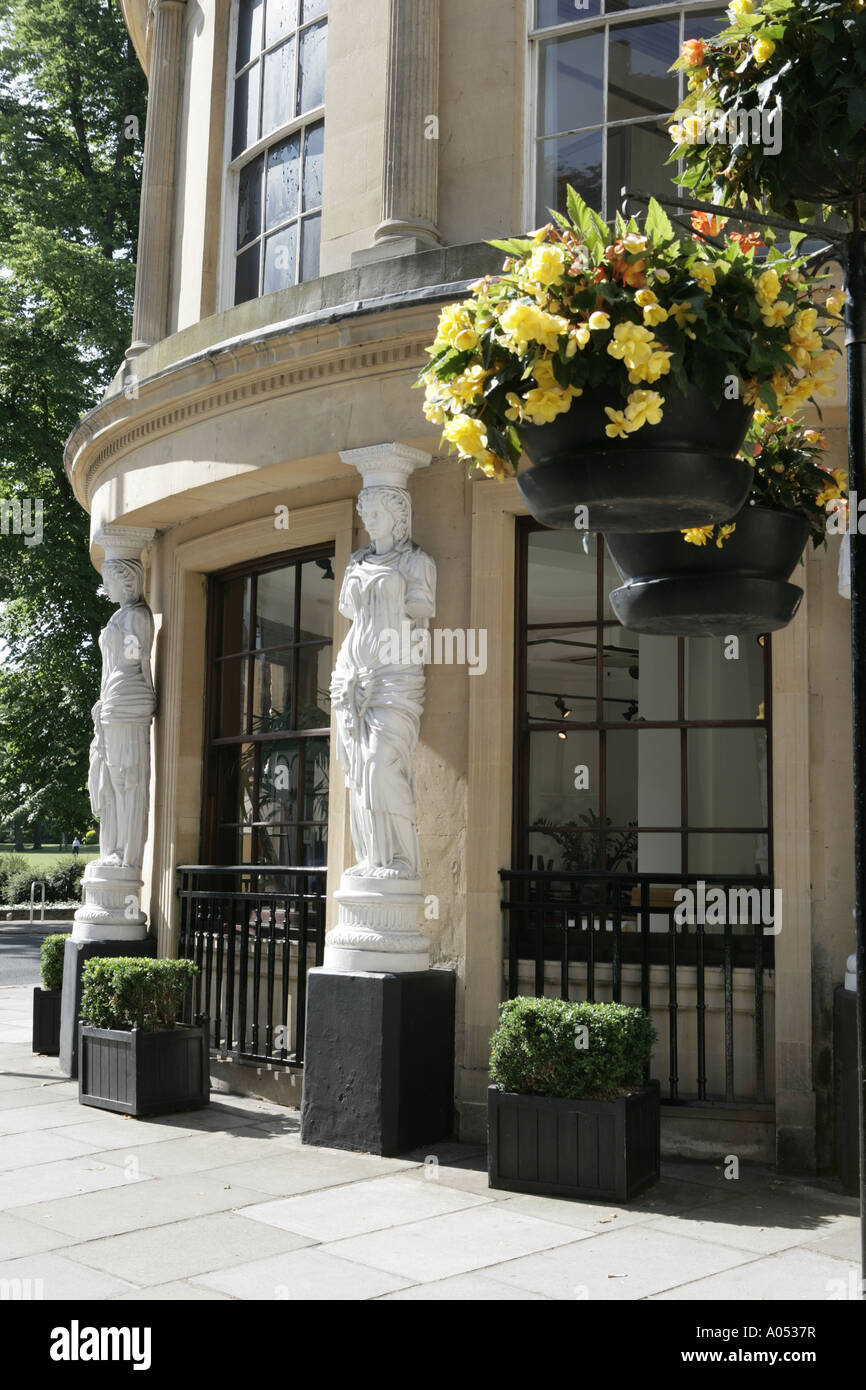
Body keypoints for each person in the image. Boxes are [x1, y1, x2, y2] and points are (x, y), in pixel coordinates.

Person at [330, 485, 436, 880]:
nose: (369, 521)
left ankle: (401, 861)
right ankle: (371, 857)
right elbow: (350, 614)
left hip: (395, 672)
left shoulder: (416, 563)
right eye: (365, 513)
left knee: (380, 766)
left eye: (377, 513)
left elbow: (421, 614)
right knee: (356, 770)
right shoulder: (355, 562)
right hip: (351, 667)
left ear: (398, 517)